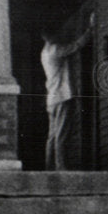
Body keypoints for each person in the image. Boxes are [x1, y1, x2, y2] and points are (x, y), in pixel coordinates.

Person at [41, 15, 93, 171]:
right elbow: (76, 46)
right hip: (62, 96)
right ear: (53, 35)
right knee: (62, 134)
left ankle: (49, 167)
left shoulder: (44, 52)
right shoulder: (56, 50)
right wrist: (90, 30)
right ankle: (60, 168)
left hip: (51, 99)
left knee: (52, 136)